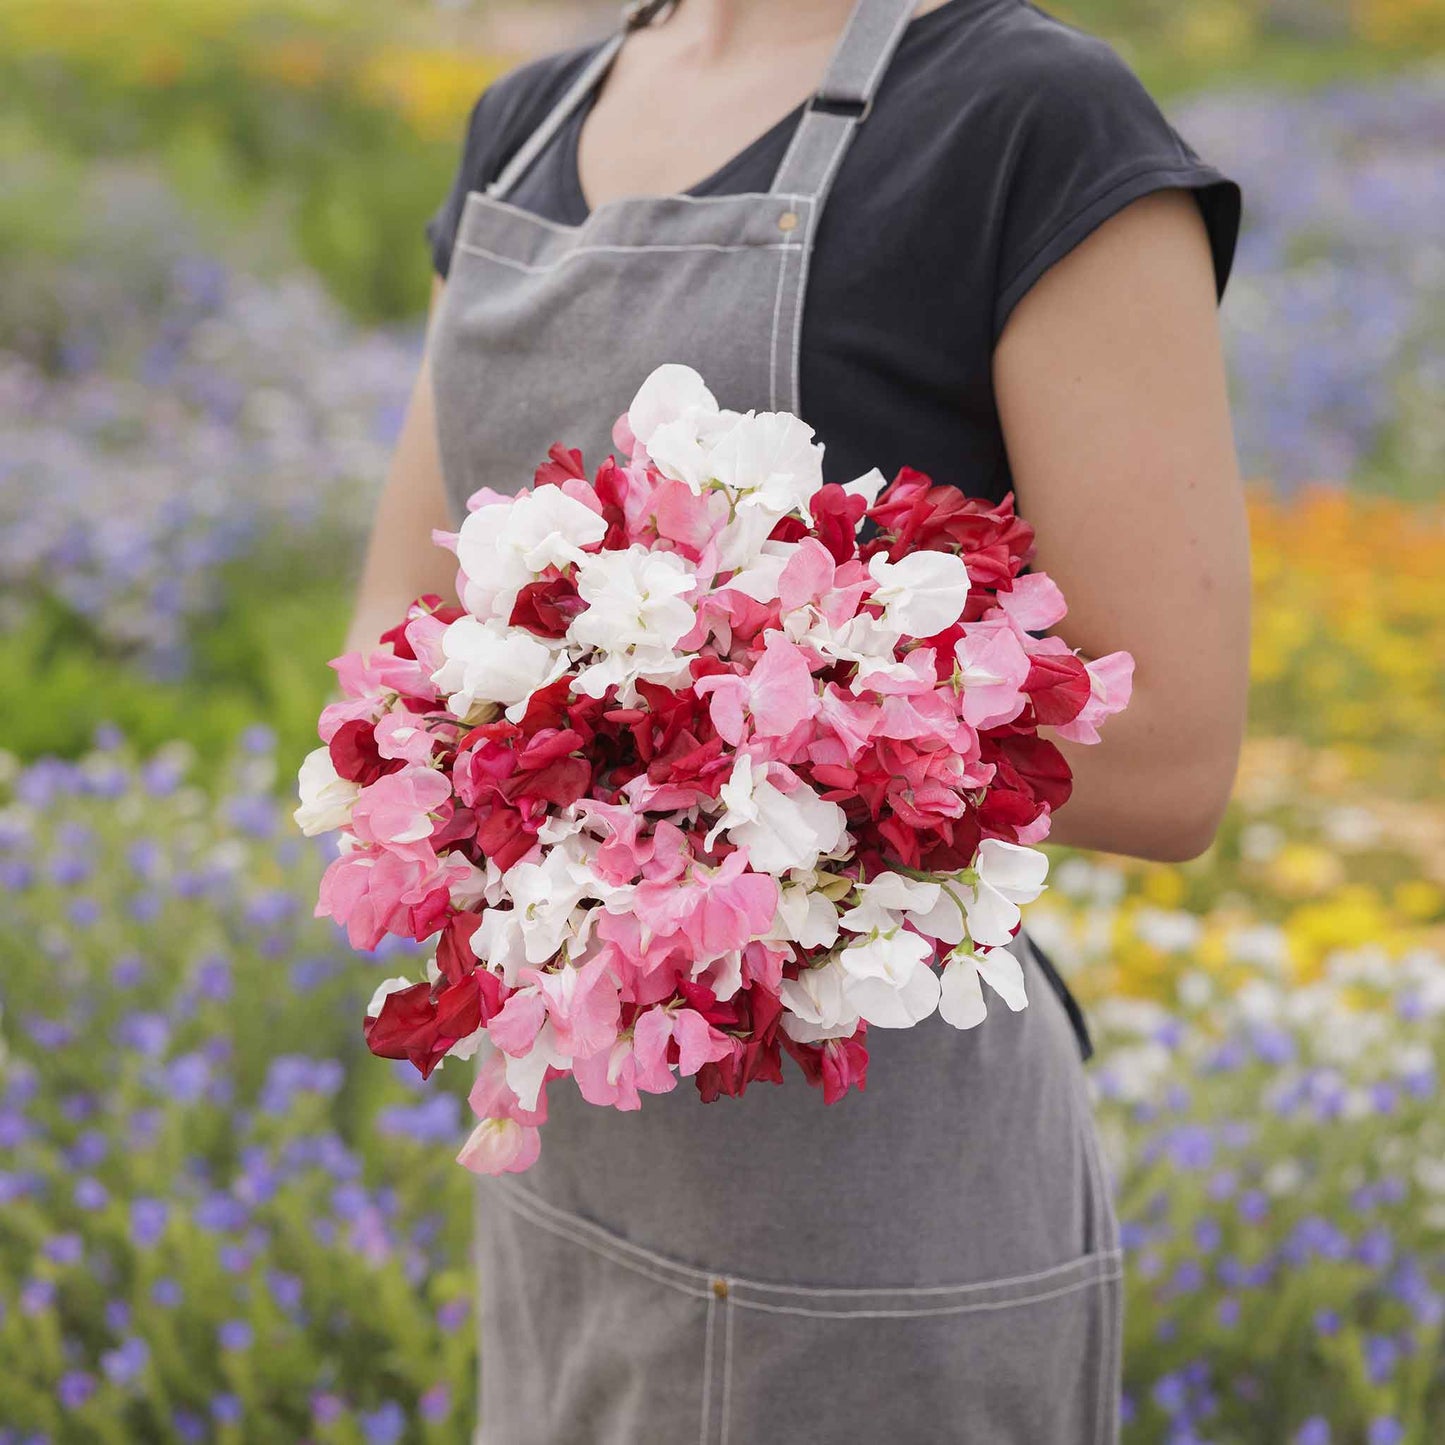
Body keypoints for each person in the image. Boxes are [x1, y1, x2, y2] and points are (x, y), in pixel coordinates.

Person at [343, 0, 1251, 1439]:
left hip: (877, 1217)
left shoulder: (1024, 120)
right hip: (578, 1172)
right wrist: (553, 768)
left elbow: (1172, 753)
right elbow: (391, 643)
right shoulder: (525, 126)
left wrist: (705, 716)